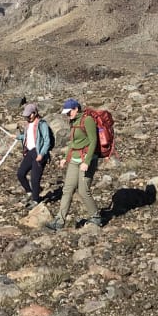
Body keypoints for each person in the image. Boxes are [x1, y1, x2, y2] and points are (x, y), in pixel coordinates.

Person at [47, 98, 101, 230]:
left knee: (83, 191)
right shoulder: (73, 121)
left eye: (69, 111)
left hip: (86, 160)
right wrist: (66, 158)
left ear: (76, 109)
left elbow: (93, 141)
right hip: (74, 160)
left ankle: (96, 217)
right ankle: (59, 220)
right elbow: (73, 143)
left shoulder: (87, 120)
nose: (67, 114)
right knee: (67, 190)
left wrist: (87, 162)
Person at [16, 103, 52, 206]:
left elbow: (46, 140)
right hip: (30, 152)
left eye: (29, 115)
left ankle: (36, 200)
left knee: (34, 179)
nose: (27, 117)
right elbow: (28, 136)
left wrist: (41, 154)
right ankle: (29, 192)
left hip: (38, 152)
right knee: (20, 174)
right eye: (26, 115)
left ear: (34, 113)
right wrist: (18, 137)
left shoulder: (42, 124)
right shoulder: (28, 124)